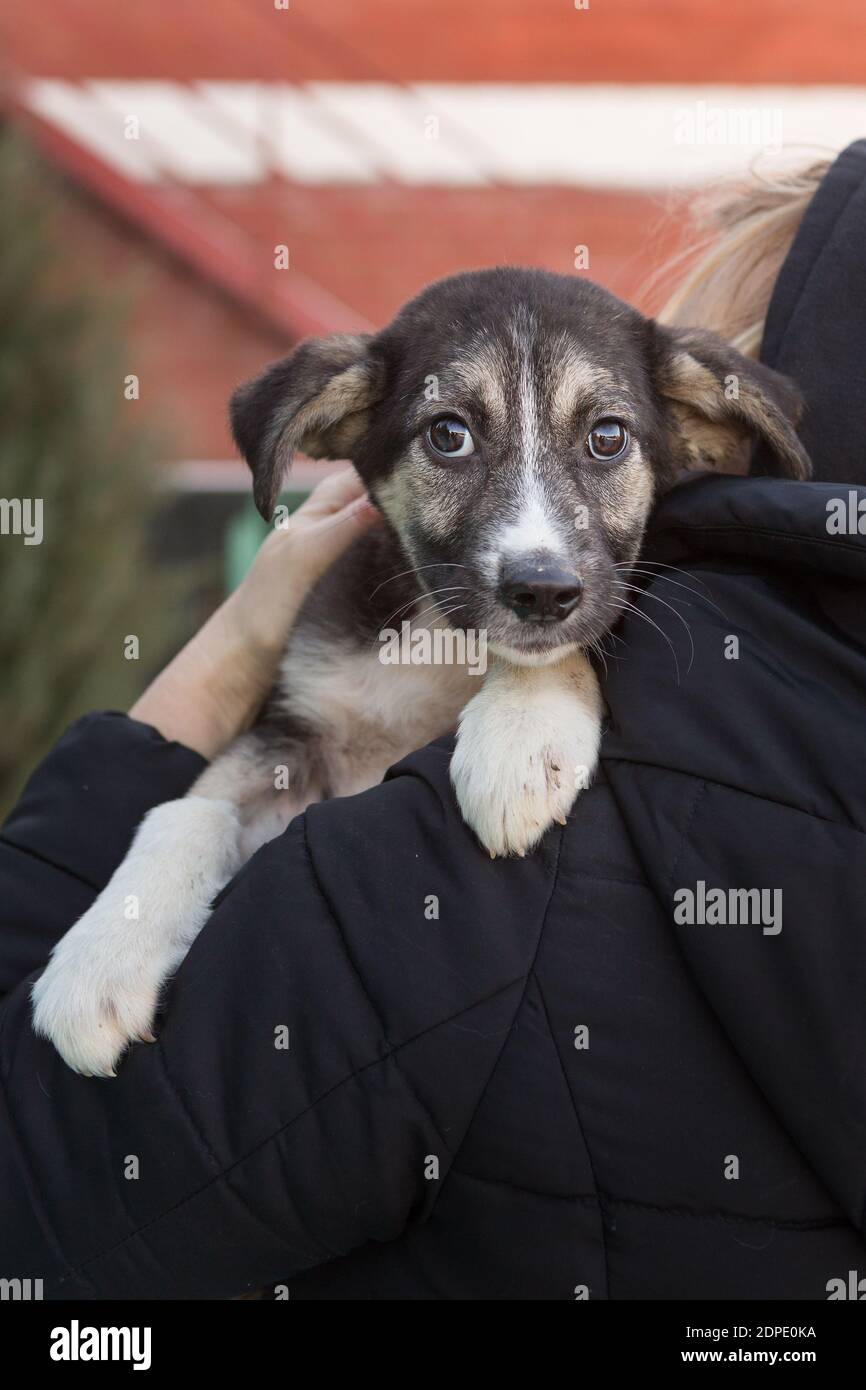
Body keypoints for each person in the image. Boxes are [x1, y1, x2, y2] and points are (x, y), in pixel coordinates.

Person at [1, 142, 865, 1301]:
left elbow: (39, 1183)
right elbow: (280, 765)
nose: (535, 543)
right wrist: (164, 857)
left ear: (709, 436)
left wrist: (229, 662)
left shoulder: (455, 896)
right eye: (450, 437)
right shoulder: (774, 712)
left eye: (602, 439)